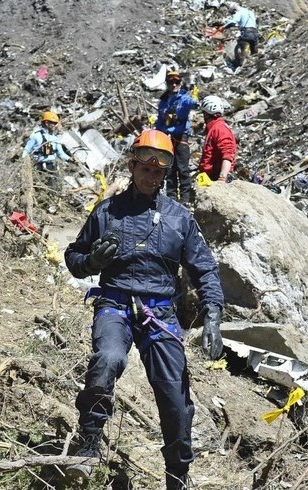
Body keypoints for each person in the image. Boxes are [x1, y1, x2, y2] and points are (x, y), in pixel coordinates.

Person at [63, 129, 225, 490]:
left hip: (160, 314)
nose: (151, 177)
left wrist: (213, 312)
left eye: (158, 172)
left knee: (175, 399)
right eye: (145, 169)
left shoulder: (179, 219)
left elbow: (205, 268)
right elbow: (73, 258)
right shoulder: (107, 211)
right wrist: (90, 261)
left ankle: (177, 476)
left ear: (165, 174)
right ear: (132, 165)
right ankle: (88, 444)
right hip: (114, 305)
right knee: (107, 359)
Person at [155, 71, 199, 204]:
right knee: (169, 169)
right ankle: (172, 198)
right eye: (171, 82)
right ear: (167, 83)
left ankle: (185, 198)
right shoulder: (163, 101)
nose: (174, 84)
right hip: (166, 137)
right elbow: (159, 121)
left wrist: (195, 99)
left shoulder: (184, 98)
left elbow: (193, 104)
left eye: (177, 82)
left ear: (180, 83)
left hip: (180, 137)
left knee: (183, 168)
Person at [21, 111, 72, 178]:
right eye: (53, 123)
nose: (55, 125)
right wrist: (24, 165)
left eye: (55, 123)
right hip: (38, 167)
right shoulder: (35, 136)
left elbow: (61, 154)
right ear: (47, 123)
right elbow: (26, 151)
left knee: (54, 187)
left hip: (51, 167)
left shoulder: (55, 139)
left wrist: (70, 159)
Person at [198, 96, 236, 182]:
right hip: (210, 177)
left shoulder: (219, 128)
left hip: (216, 177)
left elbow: (228, 153)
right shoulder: (215, 127)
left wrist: (222, 178)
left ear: (206, 114)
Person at [222, 2, 258, 68]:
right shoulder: (250, 12)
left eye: (233, 12)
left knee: (242, 46)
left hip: (247, 33)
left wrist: (223, 27)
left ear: (234, 9)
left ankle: (241, 65)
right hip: (255, 33)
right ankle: (255, 64)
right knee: (254, 51)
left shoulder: (239, 12)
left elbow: (233, 22)